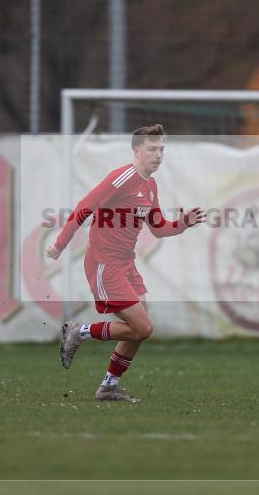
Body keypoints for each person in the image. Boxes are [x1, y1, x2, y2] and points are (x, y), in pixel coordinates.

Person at [46, 124, 205, 402]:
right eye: (152, 149)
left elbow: (158, 228)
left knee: (137, 332)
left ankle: (107, 387)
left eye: (161, 149)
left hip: (126, 265)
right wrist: (59, 245)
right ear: (137, 151)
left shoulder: (150, 185)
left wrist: (183, 224)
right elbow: (83, 208)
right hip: (104, 265)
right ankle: (79, 332)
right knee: (143, 327)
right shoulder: (122, 178)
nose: (158, 155)